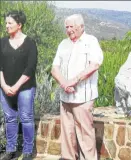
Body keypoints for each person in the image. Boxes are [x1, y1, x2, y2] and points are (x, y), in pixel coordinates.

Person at [51, 14, 103, 160]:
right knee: (67, 132)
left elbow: (94, 65)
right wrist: (64, 83)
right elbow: (54, 68)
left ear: (81, 26)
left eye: (71, 26)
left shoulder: (91, 41)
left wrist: (73, 81)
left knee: (85, 133)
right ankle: (68, 158)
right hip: (65, 95)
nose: (68, 30)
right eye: (66, 27)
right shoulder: (63, 44)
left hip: (83, 97)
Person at [0, 10, 38, 160]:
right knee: (9, 118)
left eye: (10, 23)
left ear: (19, 25)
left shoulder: (30, 43)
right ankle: (11, 150)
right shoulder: (2, 42)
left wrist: (16, 86)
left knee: (26, 118)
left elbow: (31, 68)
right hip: (4, 87)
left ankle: (28, 151)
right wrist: (3, 85)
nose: (6, 26)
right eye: (6, 22)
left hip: (25, 88)